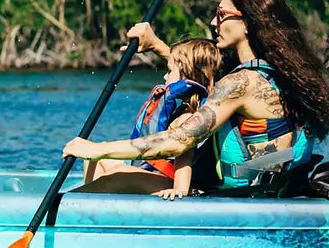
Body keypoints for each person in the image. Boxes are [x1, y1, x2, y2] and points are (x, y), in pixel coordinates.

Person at [65, 0, 329, 195]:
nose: (213, 22)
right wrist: (157, 45)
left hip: (242, 198)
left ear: (247, 23)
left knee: (113, 176)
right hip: (270, 188)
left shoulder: (240, 83)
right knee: (107, 166)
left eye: (221, 14)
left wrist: (97, 147)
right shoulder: (281, 73)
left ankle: (65, 220)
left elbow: (178, 141)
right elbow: (203, 75)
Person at [80, 35, 222, 199]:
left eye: (169, 71)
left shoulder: (189, 117)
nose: (165, 77)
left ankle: (73, 204)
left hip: (179, 184)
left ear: (187, 75)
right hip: (159, 173)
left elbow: (185, 157)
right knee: (92, 157)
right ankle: (92, 202)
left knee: (119, 173)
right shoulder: (180, 108)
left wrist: (179, 190)